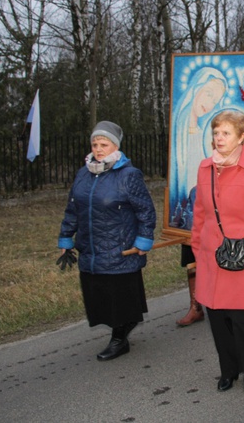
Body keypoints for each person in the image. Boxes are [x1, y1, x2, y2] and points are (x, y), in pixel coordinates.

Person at [190, 110, 244, 392]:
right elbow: (200, 212)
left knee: (241, 318)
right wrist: (198, 249)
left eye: (226, 133)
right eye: (216, 133)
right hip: (212, 258)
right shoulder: (205, 167)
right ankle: (227, 370)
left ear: (242, 137)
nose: (219, 138)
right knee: (217, 318)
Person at [58, 121, 156, 361]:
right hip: (90, 246)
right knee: (97, 295)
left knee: (119, 298)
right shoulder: (83, 173)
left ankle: (119, 339)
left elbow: (145, 210)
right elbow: (73, 208)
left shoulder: (128, 175)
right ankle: (123, 326)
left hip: (119, 248)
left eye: (104, 144)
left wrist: (143, 240)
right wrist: (66, 237)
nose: (98, 149)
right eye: (95, 144)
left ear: (115, 146)